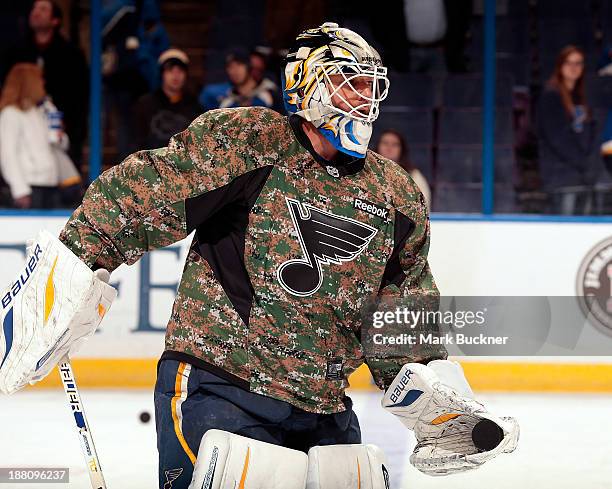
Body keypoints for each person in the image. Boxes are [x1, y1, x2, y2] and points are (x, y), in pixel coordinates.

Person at [0, 23, 518, 489]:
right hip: (222, 389)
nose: (364, 97)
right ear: (308, 84)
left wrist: (434, 398)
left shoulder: (394, 193)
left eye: (370, 85)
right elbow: (141, 193)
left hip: (325, 410)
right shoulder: (253, 142)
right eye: (349, 81)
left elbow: (401, 309)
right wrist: (70, 269)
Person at [3, 0, 89, 170]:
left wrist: (68, 124)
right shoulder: (16, 52)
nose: (36, 12)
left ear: (55, 20)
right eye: (34, 8)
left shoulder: (71, 55)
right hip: (23, 126)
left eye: (43, 9)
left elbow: (79, 96)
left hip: (61, 128)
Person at [0, 63, 78, 209]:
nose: (43, 83)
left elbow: (59, 144)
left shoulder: (41, 111)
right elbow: (7, 155)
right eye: (39, 79)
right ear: (28, 83)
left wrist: (60, 136)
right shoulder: (10, 114)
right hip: (29, 187)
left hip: (50, 183)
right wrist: (20, 191)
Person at [537, 45, 597, 215]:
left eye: (578, 63)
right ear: (560, 66)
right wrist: (584, 164)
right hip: (561, 179)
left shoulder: (582, 97)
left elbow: (589, 133)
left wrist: (589, 165)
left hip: (581, 178)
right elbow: (557, 139)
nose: (573, 68)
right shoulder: (551, 96)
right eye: (568, 63)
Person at [134, 48, 202, 151]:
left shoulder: (194, 105)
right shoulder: (145, 104)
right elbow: (137, 141)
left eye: (180, 71)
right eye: (170, 70)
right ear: (162, 74)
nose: (176, 76)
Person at [198, 49, 276, 111]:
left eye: (239, 65)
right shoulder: (227, 103)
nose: (234, 71)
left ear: (248, 66)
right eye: (230, 66)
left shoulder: (270, 95)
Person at [375, 129, 432, 208]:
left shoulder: (413, 175)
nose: (389, 147)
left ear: (402, 149)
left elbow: (423, 205)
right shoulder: (367, 170)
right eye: (385, 143)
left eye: (395, 144)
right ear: (378, 145)